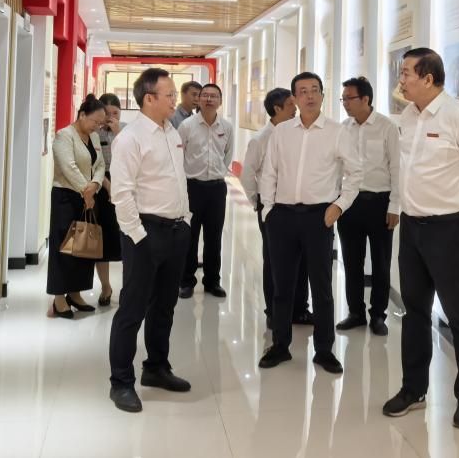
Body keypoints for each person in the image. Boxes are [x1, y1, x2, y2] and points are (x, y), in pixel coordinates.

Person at [382, 48, 459, 430]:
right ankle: (413, 389)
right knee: (415, 312)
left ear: (428, 78)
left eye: (406, 73)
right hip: (413, 228)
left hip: (449, 229)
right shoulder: (407, 117)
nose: (401, 80)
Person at [257, 72, 362, 375]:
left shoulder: (336, 132)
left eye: (315, 90)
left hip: (319, 217)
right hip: (282, 216)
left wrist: (339, 206)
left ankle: (324, 350)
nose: (310, 96)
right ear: (294, 98)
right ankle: (280, 345)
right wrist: (268, 210)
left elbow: (356, 173)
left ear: (323, 95)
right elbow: (269, 171)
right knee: (282, 286)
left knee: (321, 286)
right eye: (302, 91)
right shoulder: (281, 132)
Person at [108, 68, 192, 413]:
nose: (175, 100)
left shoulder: (171, 132)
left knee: (164, 307)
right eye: (169, 95)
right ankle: (121, 382)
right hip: (145, 233)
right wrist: (139, 237)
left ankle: (156, 367)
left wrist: (186, 221)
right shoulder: (130, 138)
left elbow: (176, 180)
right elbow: (121, 194)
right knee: (133, 309)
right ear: (149, 99)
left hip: (176, 230)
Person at [240, 88, 313, 330]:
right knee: (274, 261)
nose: (296, 108)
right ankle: (274, 311)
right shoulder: (261, 139)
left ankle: (299, 309)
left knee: (301, 260)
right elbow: (248, 174)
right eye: (291, 104)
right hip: (273, 207)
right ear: (277, 109)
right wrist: (258, 203)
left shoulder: (296, 133)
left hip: (298, 206)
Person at [336, 77, 400, 337]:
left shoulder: (387, 127)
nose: (345, 103)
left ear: (365, 99)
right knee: (352, 261)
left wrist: (395, 205)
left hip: (380, 203)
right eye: (343, 99)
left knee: (381, 263)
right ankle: (355, 312)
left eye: (349, 98)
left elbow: (397, 168)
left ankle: (378, 315)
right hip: (349, 203)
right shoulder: (343, 128)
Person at [47, 95, 107, 319]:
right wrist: (86, 190)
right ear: (82, 115)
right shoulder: (64, 135)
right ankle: (59, 298)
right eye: (94, 121)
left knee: (83, 247)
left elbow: (100, 165)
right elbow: (68, 167)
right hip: (66, 197)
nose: (97, 127)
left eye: (100, 123)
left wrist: (95, 184)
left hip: (88, 195)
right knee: (63, 247)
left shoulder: (93, 137)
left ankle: (75, 293)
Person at [177, 83, 234, 299]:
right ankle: (186, 281)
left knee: (214, 236)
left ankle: (212, 281)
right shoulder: (186, 126)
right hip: (192, 187)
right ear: (199, 100)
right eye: (205, 95)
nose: (209, 99)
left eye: (214, 96)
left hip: (217, 189)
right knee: (189, 236)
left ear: (220, 100)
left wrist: (218, 173)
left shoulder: (226, 127)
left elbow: (228, 155)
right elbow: (179, 156)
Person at [94, 93, 125, 306]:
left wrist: (118, 134)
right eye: (107, 113)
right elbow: (94, 164)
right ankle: (105, 286)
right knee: (103, 241)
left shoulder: (127, 131)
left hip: (125, 186)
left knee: (127, 239)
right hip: (101, 187)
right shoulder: (93, 132)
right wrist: (106, 184)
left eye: (116, 113)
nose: (111, 117)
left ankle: (128, 288)